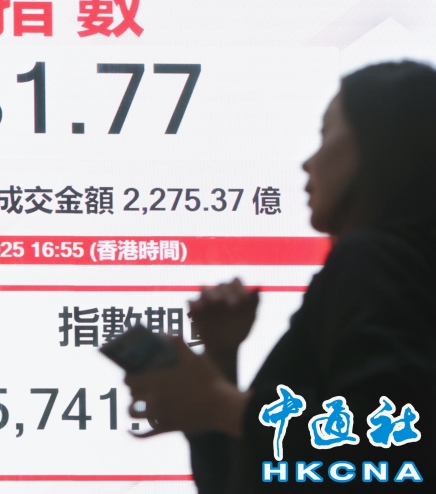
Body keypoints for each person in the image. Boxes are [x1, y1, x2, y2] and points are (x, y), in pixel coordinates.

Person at [124, 60, 436, 492]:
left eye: (326, 134)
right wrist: (221, 363)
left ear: (381, 144)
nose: (308, 162)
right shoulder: (399, 268)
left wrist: (219, 403)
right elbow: (240, 482)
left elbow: (397, 452)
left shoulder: (373, 259)